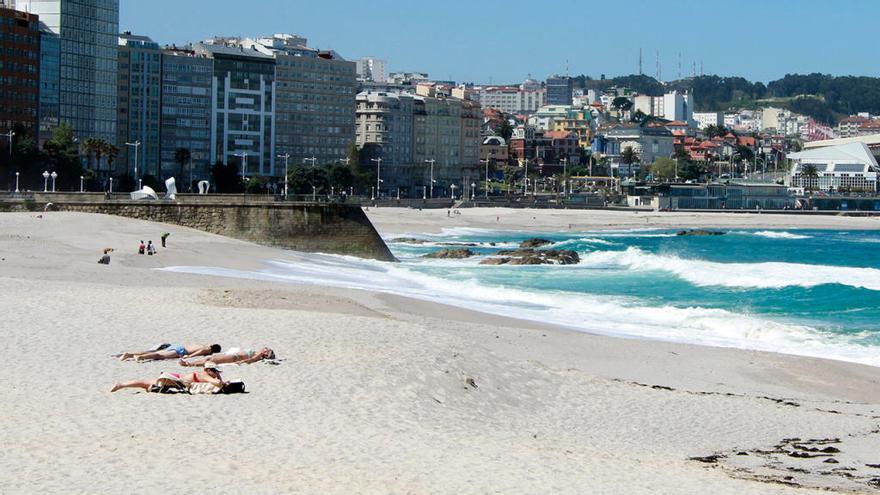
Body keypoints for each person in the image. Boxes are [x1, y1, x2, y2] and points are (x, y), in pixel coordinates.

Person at [110, 362, 226, 393]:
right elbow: (218, 384)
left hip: (177, 378)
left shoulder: (203, 373)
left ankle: (122, 385)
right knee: (144, 382)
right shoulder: (205, 375)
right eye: (214, 371)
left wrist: (217, 375)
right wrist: (218, 377)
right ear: (209, 370)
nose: (216, 373)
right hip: (176, 380)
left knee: (146, 384)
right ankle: (121, 385)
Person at [119, 344, 221, 362]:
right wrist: (189, 356)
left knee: (155, 352)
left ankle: (128, 355)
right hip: (181, 351)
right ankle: (140, 357)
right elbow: (201, 351)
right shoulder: (207, 349)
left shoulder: (202, 344)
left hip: (178, 346)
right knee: (160, 356)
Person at [180, 347, 275, 367]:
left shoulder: (258, 355)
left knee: (211, 360)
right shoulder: (256, 351)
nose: (265, 348)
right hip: (232, 355)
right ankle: (190, 364)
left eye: (267, 350)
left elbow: (251, 360)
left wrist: (241, 362)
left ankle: (189, 364)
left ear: (265, 353)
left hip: (234, 357)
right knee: (210, 359)